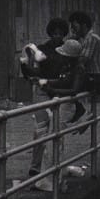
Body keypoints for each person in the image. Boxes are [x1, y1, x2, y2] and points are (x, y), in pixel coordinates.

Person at [20, 17, 70, 183]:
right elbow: (33, 70)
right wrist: (25, 67)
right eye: (54, 33)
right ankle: (35, 167)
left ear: (64, 34)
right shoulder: (42, 49)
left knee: (58, 131)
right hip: (43, 90)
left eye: (60, 33)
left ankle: (55, 165)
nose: (57, 36)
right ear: (50, 33)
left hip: (60, 91)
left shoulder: (66, 49)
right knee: (39, 130)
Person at [68, 10, 100, 123]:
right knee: (67, 84)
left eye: (74, 26)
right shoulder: (87, 39)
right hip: (96, 77)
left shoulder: (91, 38)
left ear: (84, 25)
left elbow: (82, 60)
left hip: (99, 79)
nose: (72, 29)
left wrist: (70, 43)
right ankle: (79, 110)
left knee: (66, 84)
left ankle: (80, 111)